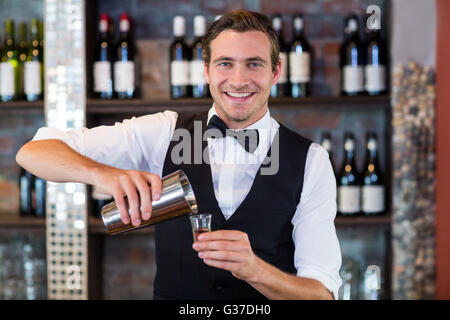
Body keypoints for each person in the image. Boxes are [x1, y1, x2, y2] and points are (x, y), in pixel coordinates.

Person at [16, 10, 342, 300]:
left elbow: (321, 293)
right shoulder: (165, 131)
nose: (239, 80)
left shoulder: (310, 161)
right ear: (206, 71)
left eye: (254, 64)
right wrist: (104, 174)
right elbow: (34, 152)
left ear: (275, 72)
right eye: (225, 64)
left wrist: (255, 270)